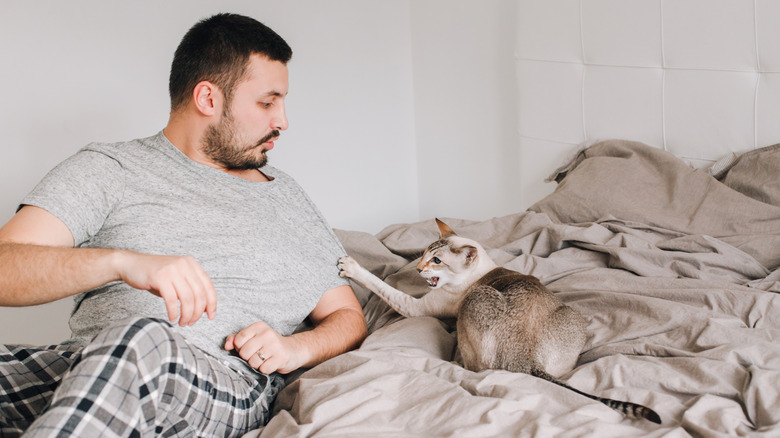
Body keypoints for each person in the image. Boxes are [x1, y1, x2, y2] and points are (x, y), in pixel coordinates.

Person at [0, 13, 367, 437]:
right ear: (208, 99)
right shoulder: (108, 169)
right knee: (121, 351)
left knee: (139, 341)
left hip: (220, 381)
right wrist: (120, 262)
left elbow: (347, 314)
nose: (283, 121)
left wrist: (294, 347)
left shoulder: (285, 196)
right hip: (85, 364)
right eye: (267, 102)